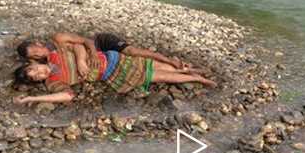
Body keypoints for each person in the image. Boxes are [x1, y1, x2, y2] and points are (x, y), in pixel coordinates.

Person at [12, 46, 216, 105]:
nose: (41, 73)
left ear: (35, 64)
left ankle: (190, 71)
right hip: (113, 73)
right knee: (159, 75)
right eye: (36, 77)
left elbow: (78, 47)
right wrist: (32, 97)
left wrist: (82, 61)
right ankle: (196, 78)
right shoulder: (54, 83)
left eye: (36, 69)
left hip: (112, 57)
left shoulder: (54, 57)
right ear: (37, 81)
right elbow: (67, 96)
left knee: (158, 65)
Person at [16, 32, 189, 79]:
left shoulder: (58, 39)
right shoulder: (44, 62)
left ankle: (168, 60)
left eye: (36, 49)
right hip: (102, 59)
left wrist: (91, 56)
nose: (39, 54)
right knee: (140, 64)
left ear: (38, 43)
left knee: (132, 52)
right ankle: (181, 70)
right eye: (35, 56)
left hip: (100, 44)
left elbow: (86, 41)